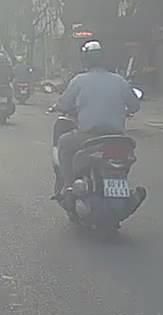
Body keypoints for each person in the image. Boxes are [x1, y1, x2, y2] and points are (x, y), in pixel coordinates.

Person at [50, 40, 140, 198]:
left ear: (85, 60)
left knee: (63, 143)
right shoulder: (120, 80)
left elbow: (64, 104)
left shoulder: (79, 80)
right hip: (117, 138)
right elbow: (135, 106)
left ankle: (68, 186)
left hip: (90, 137)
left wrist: (56, 107)